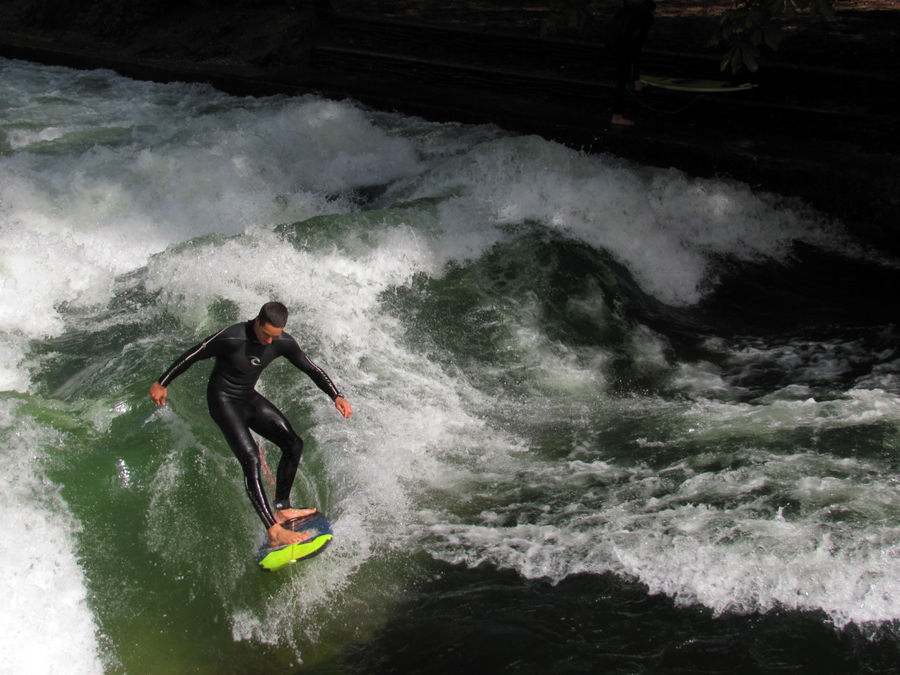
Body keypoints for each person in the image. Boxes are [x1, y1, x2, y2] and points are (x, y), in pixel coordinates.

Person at [149, 301, 352, 548]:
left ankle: (282, 508)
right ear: (257, 321)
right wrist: (162, 382)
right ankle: (273, 530)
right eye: (266, 334)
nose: (269, 342)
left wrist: (336, 395)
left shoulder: (281, 342)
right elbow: (193, 354)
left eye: (274, 336)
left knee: (293, 443)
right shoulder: (232, 337)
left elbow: (311, 368)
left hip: (247, 397)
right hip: (222, 400)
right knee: (252, 459)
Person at [608, 0, 656, 126]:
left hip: (612, 42)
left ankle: (616, 113)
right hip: (622, 46)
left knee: (621, 78)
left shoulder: (629, 9)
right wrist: (636, 77)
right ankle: (616, 116)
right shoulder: (647, 17)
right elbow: (636, 45)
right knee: (621, 81)